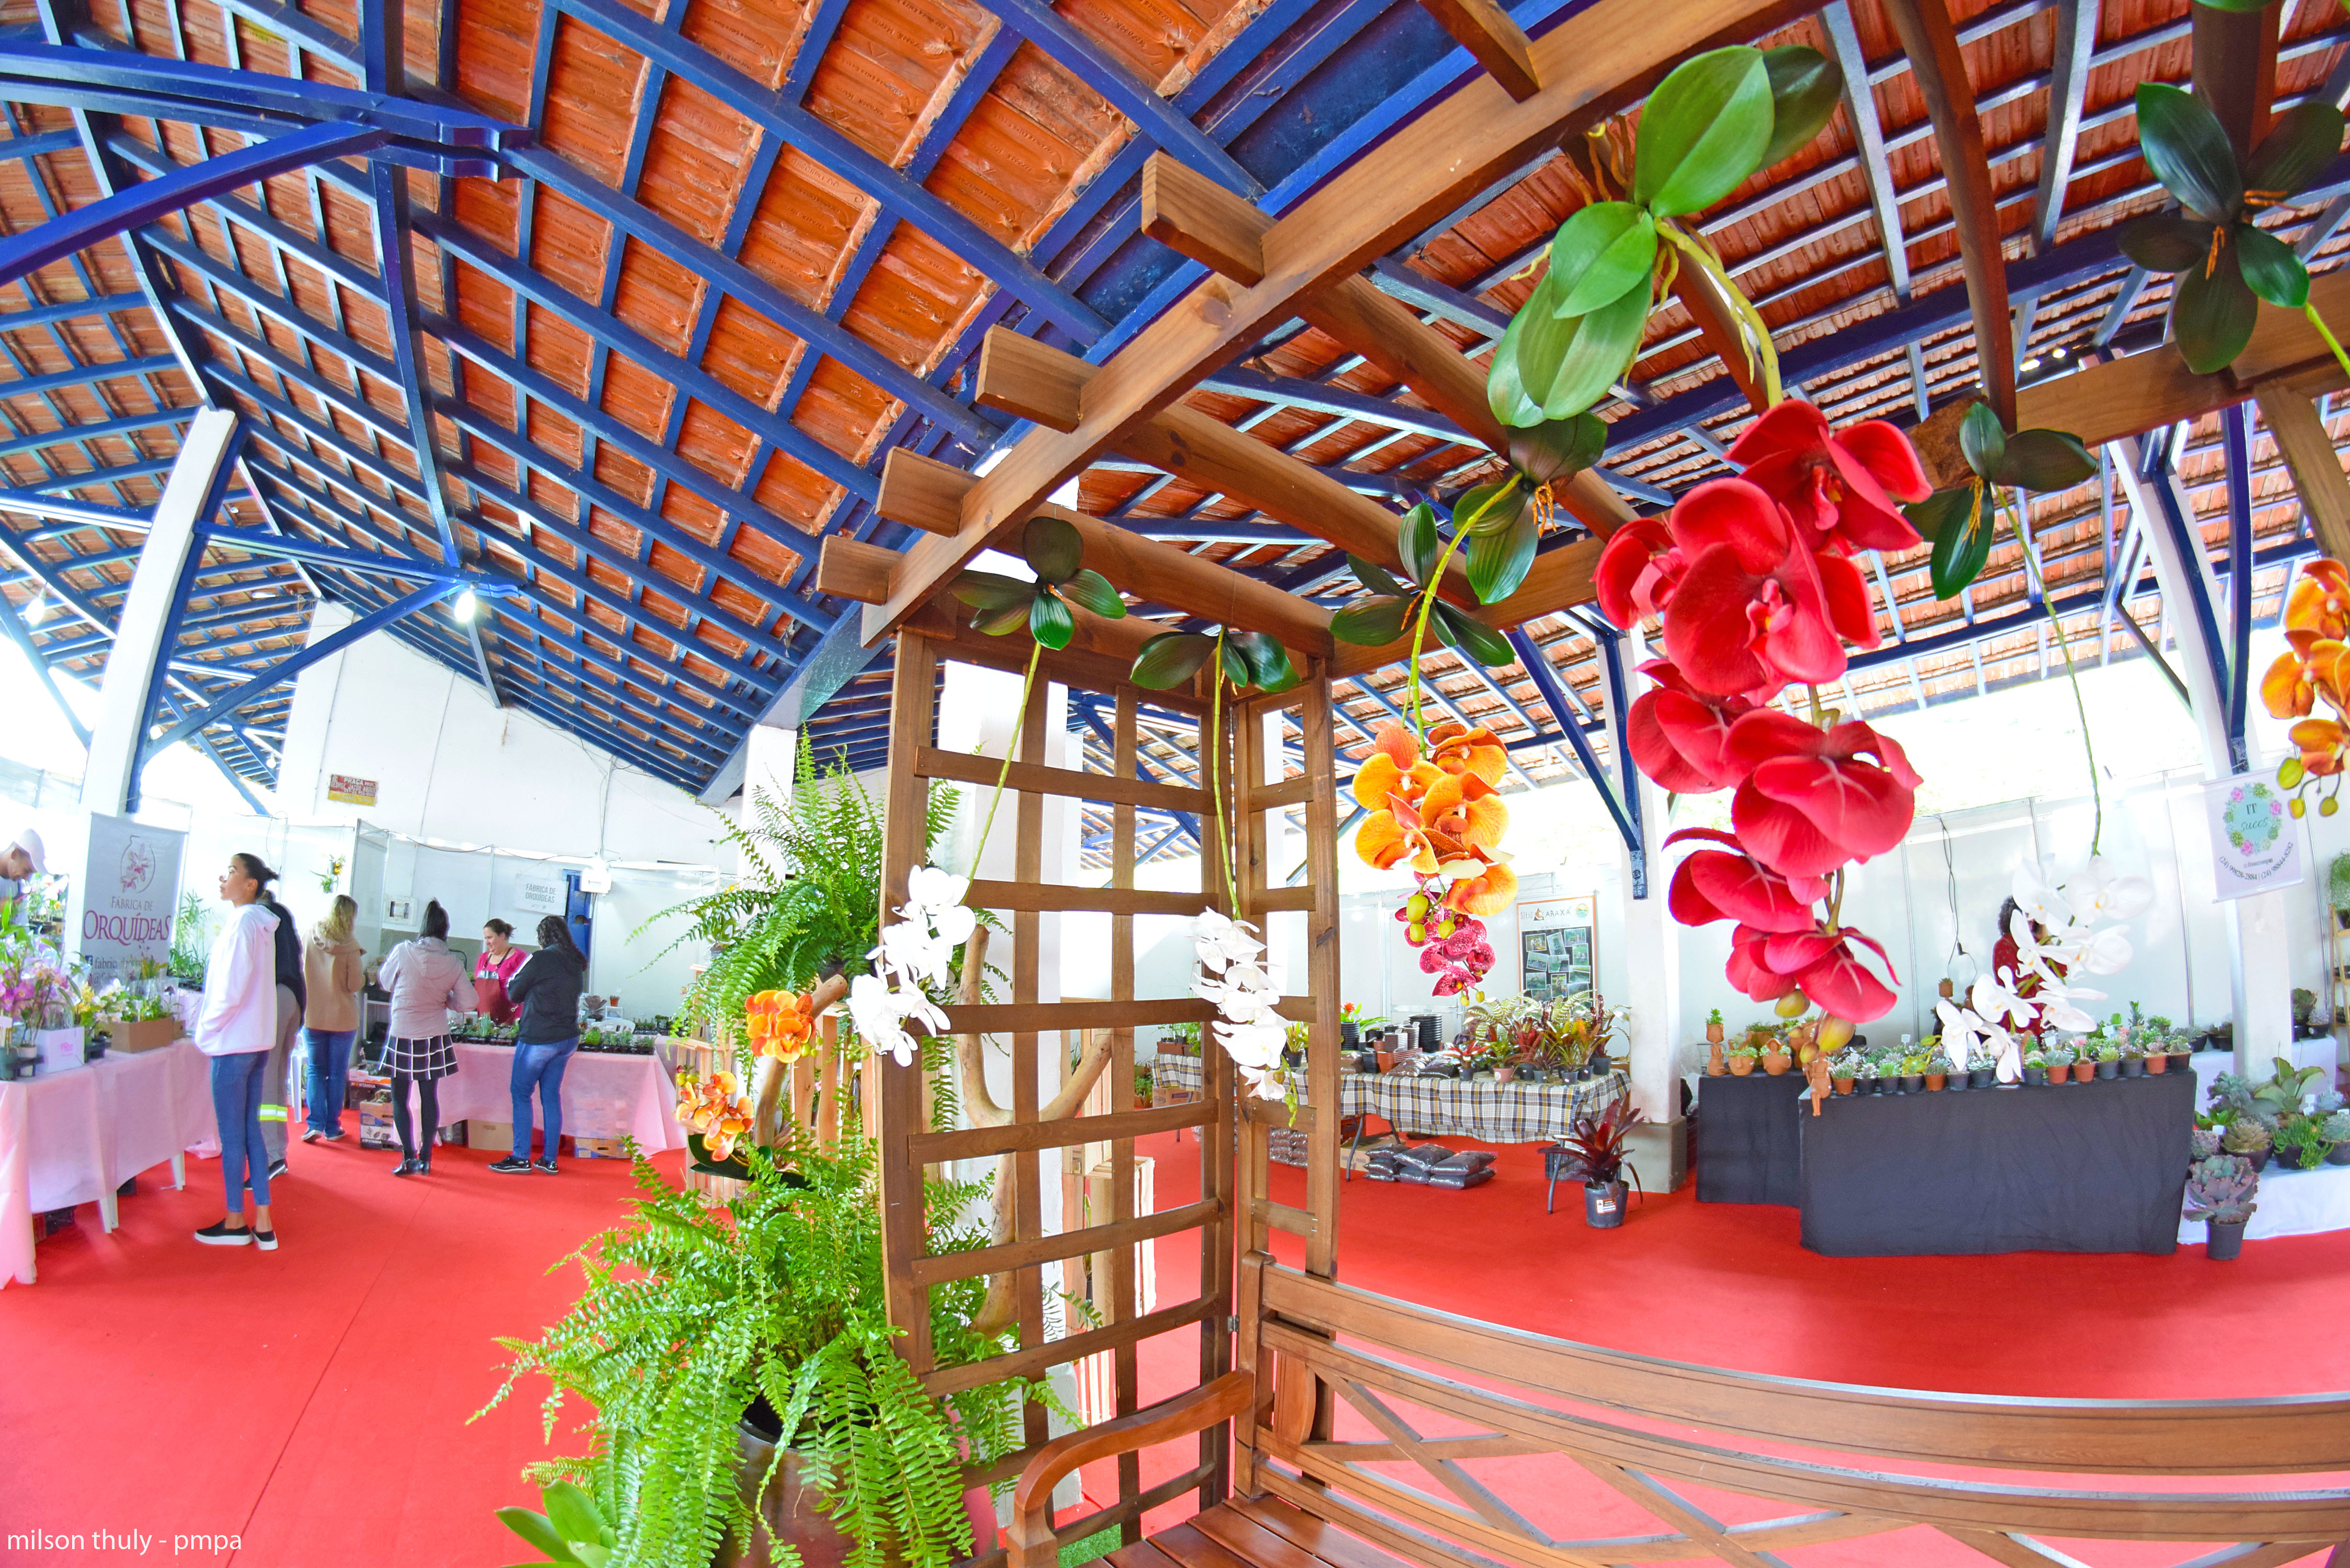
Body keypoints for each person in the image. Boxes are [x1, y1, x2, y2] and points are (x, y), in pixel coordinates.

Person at [192, 854, 282, 1251]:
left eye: (231, 871)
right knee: (250, 1131)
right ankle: (263, 1220)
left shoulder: (244, 923)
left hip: (233, 1044)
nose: (223, 877)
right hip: (255, 1041)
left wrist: (206, 1029)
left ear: (250, 884)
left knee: (232, 1137)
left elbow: (231, 988)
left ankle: (234, 1221)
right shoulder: (259, 924)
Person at [490, 916, 588, 1175]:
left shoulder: (540, 958)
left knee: (521, 1093)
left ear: (543, 936)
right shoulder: (576, 962)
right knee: (551, 1096)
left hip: (539, 1036)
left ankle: (521, 1157)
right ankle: (549, 1159)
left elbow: (514, 993)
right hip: (567, 1039)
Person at [376, 900, 466, 1176]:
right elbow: (469, 1001)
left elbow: (385, 982)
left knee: (399, 1098)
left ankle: (408, 1158)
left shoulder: (403, 950)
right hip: (433, 1035)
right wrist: (447, 1000)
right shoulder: (452, 963)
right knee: (429, 1098)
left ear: (423, 927)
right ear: (445, 930)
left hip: (402, 1032)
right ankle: (427, 1158)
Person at [300, 894, 365, 1144]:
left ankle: (314, 1124)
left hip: (313, 1014)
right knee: (337, 1073)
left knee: (315, 1070)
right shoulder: (351, 947)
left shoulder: (309, 936)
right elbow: (354, 985)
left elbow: (300, 970)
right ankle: (332, 1127)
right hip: (342, 1019)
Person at [254, 881, 307, 1181]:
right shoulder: (283, 915)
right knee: (277, 1077)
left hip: (274, 997)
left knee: (265, 1080)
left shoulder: (258, 917)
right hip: (293, 997)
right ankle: (277, 1151)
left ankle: (269, 1155)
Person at [474, 919, 524, 1024]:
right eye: (486, 938)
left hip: (509, 1023)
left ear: (502, 936)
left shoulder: (519, 958)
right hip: (484, 1024)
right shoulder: (483, 959)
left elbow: (525, 992)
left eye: (490, 938)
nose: (487, 942)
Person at [0, 826, 44, 921]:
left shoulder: (18, 888)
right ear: (15, 854)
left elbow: (22, 926)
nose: (27, 878)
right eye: (27, 871)